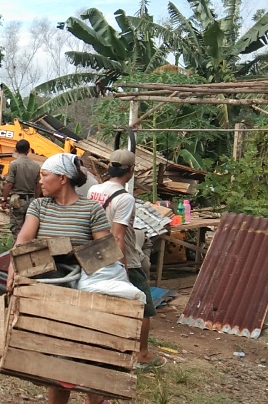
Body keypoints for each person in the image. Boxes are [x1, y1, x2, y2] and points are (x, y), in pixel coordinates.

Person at [6, 153, 112, 404]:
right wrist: (13, 266)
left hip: (81, 292)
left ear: (62, 178)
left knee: (88, 352)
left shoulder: (91, 209)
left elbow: (105, 254)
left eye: (45, 175)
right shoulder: (39, 206)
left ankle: (95, 400)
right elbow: (24, 239)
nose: (40, 181)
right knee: (58, 356)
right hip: (50, 289)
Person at [87, 149, 165, 370]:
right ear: (130, 171)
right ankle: (141, 354)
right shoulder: (125, 198)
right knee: (143, 307)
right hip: (125, 258)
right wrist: (123, 269)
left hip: (95, 254)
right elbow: (118, 235)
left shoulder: (94, 190)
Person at [0, 139, 42, 239]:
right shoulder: (36, 165)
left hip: (17, 201)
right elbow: (38, 185)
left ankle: (17, 250)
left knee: (17, 230)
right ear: (28, 150)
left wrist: (4, 199)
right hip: (31, 201)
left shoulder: (14, 164)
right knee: (31, 229)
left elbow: (9, 184)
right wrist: (36, 199)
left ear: (16, 150)